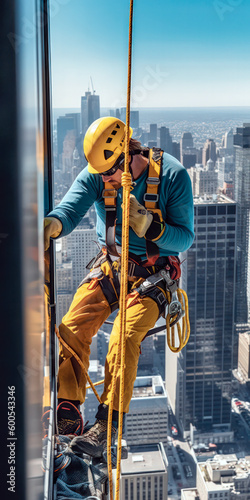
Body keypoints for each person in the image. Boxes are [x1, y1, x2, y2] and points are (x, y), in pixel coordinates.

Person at [44, 116, 194, 457]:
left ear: (129, 153)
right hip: (112, 267)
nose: (106, 179)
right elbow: (72, 206)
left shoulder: (172, 175)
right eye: (101, 173)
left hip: (154, 275)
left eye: (111, 172)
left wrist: (151, 227)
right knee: (72, 325)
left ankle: (107, 425)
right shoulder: (99, 174)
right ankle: (68, 411)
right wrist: (53, 224)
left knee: (124, 336)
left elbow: (184, 236)